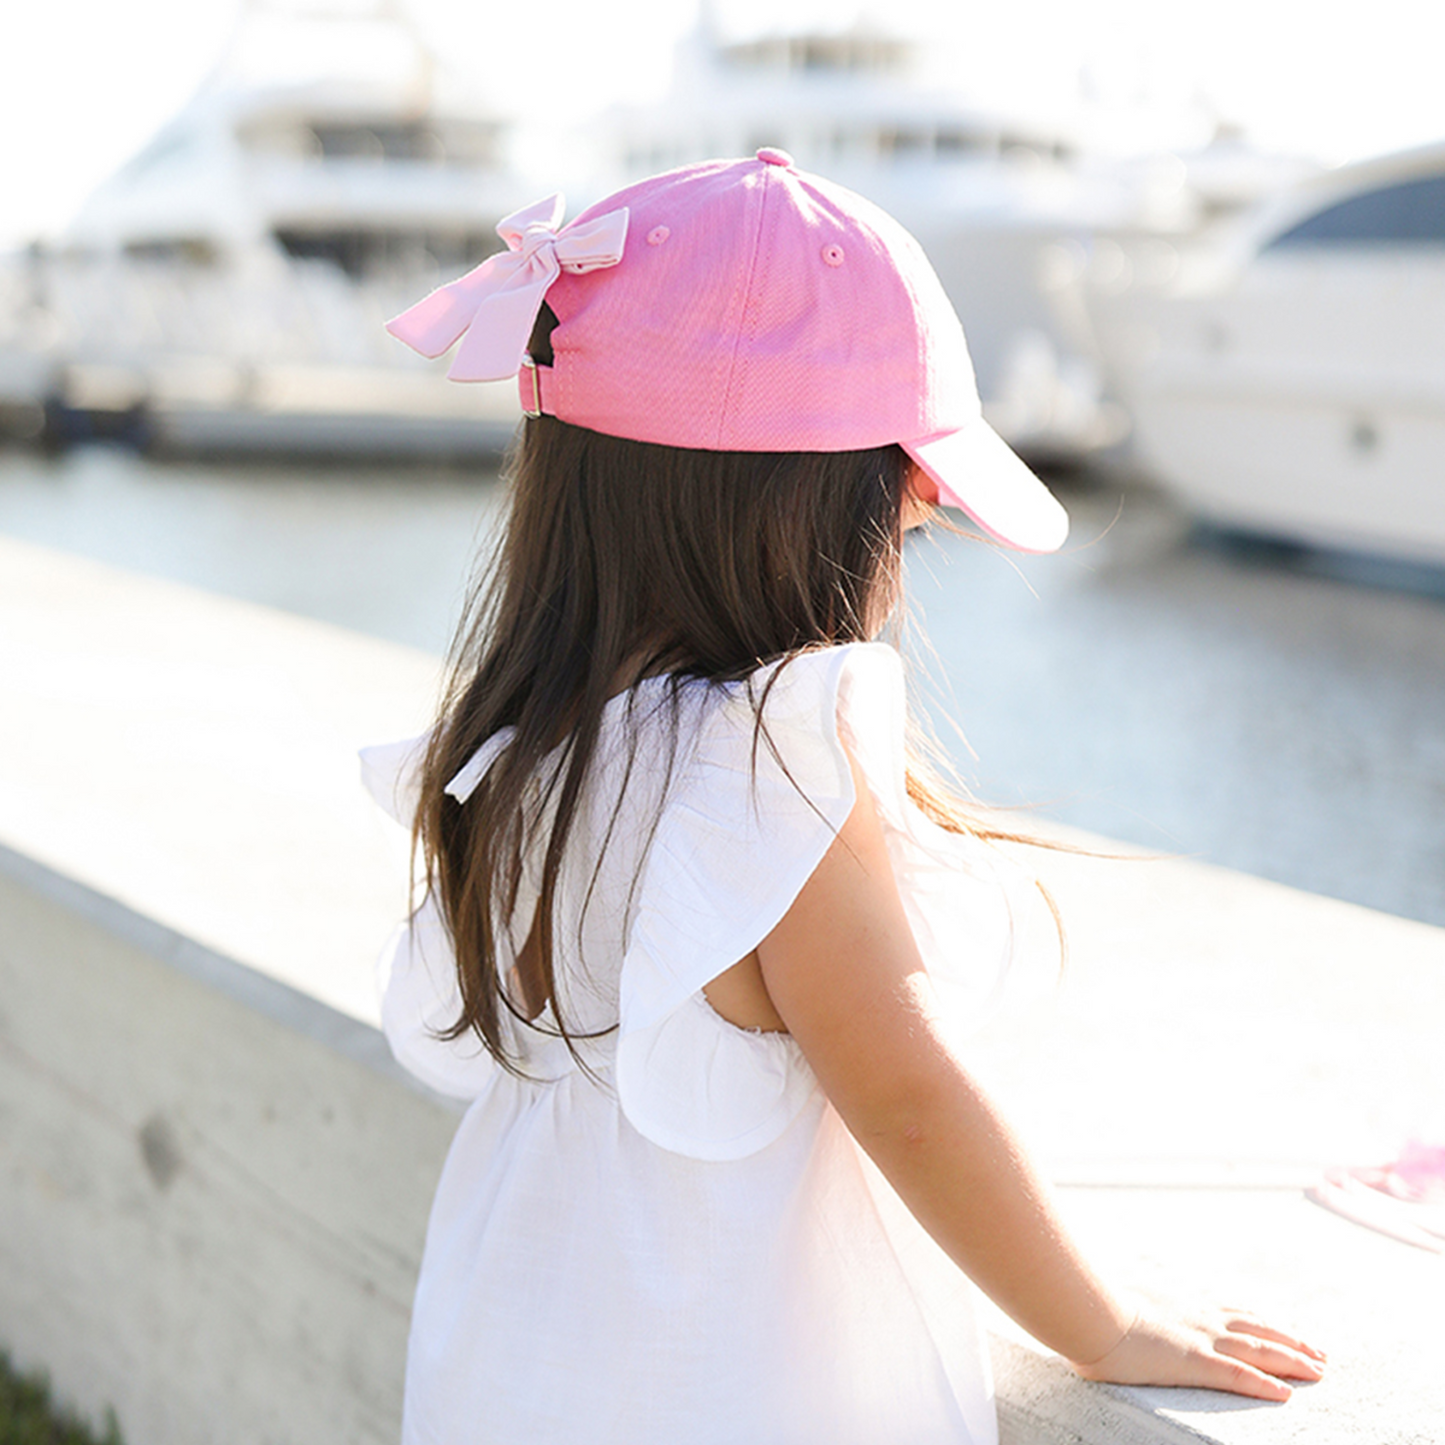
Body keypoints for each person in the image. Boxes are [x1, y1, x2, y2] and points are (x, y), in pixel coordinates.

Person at [362, 152, 1325, 1445]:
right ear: (823, 515)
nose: (913, 537)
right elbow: (910, 1098)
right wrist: (1103, 1322)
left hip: (517, 1368)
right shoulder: (757, 785)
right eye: (908, 508)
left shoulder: (524, 757)